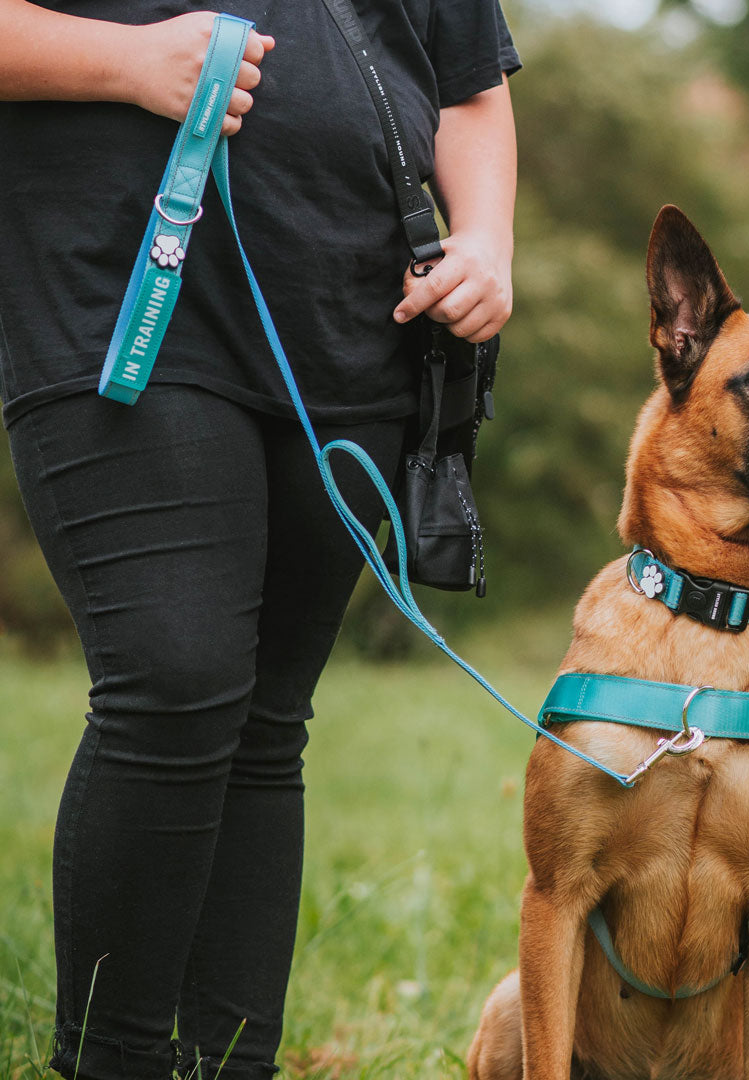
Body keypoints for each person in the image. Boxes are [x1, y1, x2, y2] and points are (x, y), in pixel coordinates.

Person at [0, 1, 518, 1076]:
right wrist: (127, 60)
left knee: (265, 719)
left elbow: (469, 87)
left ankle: (231, 1064)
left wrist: (483, 239)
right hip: (122, 297)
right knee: (176, 675)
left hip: (358, 317)